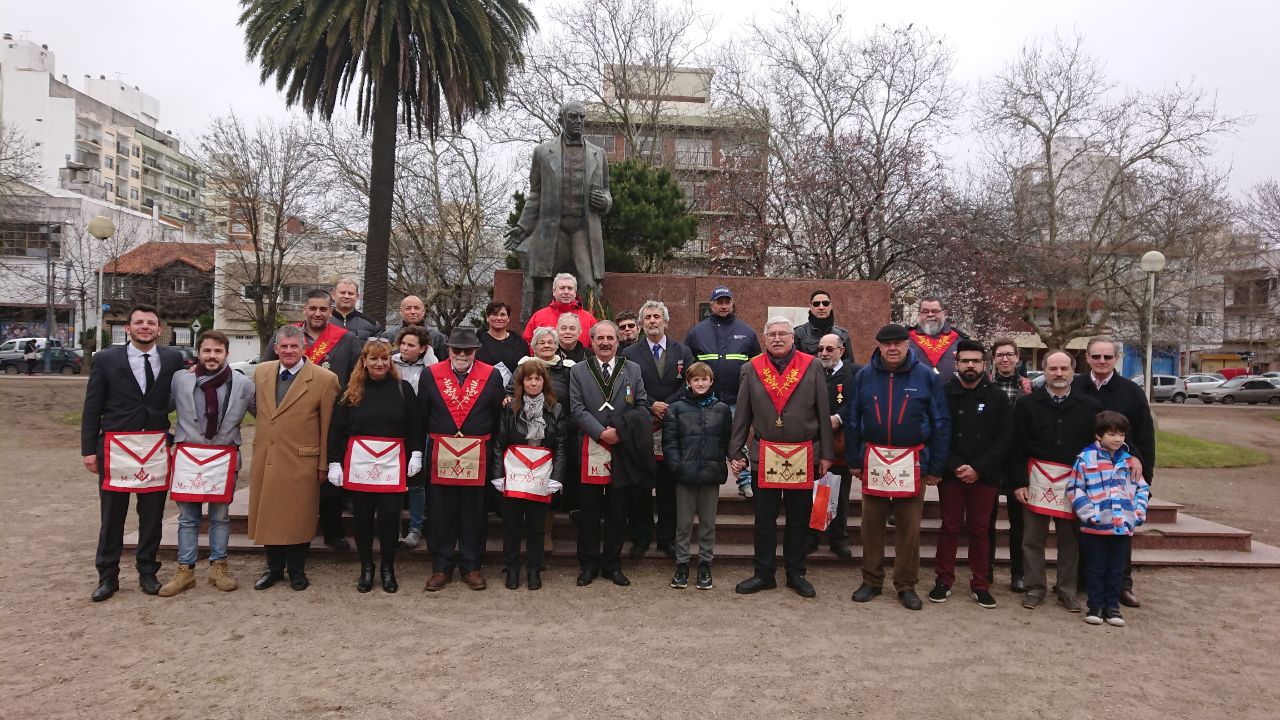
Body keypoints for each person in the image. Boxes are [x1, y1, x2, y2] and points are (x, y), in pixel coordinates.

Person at [80, 304, 184, 601]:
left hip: (154, 446)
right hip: (115, 447)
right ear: (128, 328)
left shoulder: (173, 358)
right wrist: (89, 449)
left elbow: (180, 396)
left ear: (159, 329)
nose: (145, 327)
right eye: (139, 322)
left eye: (151, 323)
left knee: (151, 515)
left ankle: (148, 571)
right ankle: (107, 576)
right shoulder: (107, 359)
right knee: (112, 516)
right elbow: (92, 407)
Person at [845, 323, 950, 611]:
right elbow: (853, 419)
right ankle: (871, 580)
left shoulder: (926, 376)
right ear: (878, 346)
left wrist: (936, 467)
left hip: (912, 461)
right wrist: (854, 460)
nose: (893, 348)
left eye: (898, 343)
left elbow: (941, 421)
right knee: (871, 525)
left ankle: (906, 584)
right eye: (886, 343)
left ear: (908, 345)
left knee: (908, 528)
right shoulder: (865, 375)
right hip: (875, 459)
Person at [730, 317, 834, 599]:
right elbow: (742, 414)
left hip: (804, 453)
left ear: (792, 337)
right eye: (772, 334)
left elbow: (823, 412)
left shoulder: (811, 365)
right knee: (764, 519)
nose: (777, 339)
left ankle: (796, 572)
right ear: (764, 338)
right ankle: (763, 573)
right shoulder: (751, 369)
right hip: (764, 453)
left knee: (798, 518)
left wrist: (826, 453)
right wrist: (735, 448)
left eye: (782, 334)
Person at [157, 330, 257, 597]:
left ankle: (218, 566)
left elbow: (265, 415)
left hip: (224, 456)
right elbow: (158, 407)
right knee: (188, 518)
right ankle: (185, 570)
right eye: (207, 351)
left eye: (218, 351)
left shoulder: (243, 383)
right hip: (190, 455)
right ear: (198, 352)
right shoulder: (180, 379)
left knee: (220, 517)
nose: (212, 356)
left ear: (227, 354)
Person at [262, 288, 361, 552]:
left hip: (331, 417)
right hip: (292, 420)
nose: (317, 313)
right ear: (304, 309)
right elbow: (266, 374)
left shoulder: (346, 340)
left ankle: (333, 531)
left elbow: (355, 378)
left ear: (331, 311)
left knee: (327, 475)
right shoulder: (287, 336)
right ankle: (285, 532)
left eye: (323, 309)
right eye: (313, 308)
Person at [247, 324, 340, 591]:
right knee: (270, 515)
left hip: (303, 459)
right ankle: (274, 568)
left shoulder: (324, 379)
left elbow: (328, 425)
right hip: (268, 455)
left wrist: (324, 464)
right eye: (283, 346)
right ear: (275, 348)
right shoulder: (262, 372)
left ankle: (297, 569)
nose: (288, 351)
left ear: (304, 348)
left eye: (294, 346)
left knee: (299, 517)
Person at [327, 341, 424, 593]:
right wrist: (334, 462)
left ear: (390, 361)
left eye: (384, 359)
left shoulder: (403, 390)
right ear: (364, 361)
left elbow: (415, 426)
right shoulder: (350, 391)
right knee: (362, 519)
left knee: (390, 519)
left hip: (392, 464)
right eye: (373, 359)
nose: (379, 364)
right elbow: (336, 430)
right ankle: (366, 567)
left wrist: (416, 454)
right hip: (360, 463)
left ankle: (388, 567)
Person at [1009, 350, 1101, 613]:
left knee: (1070, 540)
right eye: (1053, 369)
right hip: (1036, 478)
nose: (1058, 374)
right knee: (1032, 539)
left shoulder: (1090, 405)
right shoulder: (1027, 404)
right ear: (1044, 371)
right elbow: (1017, 446)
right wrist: (1019, 482)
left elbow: (1095, 448)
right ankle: (1034, 587)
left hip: (1072, 483)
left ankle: (1067, 590)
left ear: (1073, 371)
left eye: (1064, 368)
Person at [506, 101, 613, 320]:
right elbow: (535, 194)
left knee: (589, 283)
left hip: (583, 229)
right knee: (547, 285)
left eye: (582, 118)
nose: (579, 122)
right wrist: (522, 227)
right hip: (552, 228)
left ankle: (589, 334)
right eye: (573, 117)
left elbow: (607, 192)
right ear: (561, 120)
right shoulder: (543, 153)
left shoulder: (598, 154)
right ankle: (542, 334)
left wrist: (604, 201)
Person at [1071, 336, 1156, 609]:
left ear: (1116, 359)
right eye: (1096, 357)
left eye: (1107, 357)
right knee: (1085, 529)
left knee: (1121, 530)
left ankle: (1123, 585)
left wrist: (1145, 472)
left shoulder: (1130, 391)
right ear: (1087, 358)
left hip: (1122, 473)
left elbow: (1144, 434)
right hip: (1089, 472)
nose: (1102, 362)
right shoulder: (1075, 386)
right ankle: (1085, 580)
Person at [419, 327, 506, 592]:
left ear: (476, 352)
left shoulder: (491, 375)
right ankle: (442, 565)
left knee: (474, 511)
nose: (462, 354)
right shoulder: (431, 374)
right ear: (448, 349)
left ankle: (471, 565)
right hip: (441, 449)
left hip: (476, 451)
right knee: (441, 510)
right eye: (457, 349)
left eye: (467, 350)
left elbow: (496, 414)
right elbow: (424, 411)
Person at [929, 339, 1013, 609]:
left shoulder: (997, 396)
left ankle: (980, 583)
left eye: (975, 361)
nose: (970, 365)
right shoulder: (944, 392)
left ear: (984, 364)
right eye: (965, 361)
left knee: (980, 530)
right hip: (952, 473)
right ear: (957, 364)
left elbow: (1004, 437)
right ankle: (943, 580)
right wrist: (955, 466)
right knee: (950, 527)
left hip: (984, 475)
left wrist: (978, 468)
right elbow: (938, 431)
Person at [569, 320, 651, 587]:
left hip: (621, 448)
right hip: (590, 446)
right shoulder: (579, 371)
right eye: (600, 338)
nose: (605, 343)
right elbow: (577, 408)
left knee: (618, 510)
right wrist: (600, 432)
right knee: (589, 511)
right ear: (591, 341)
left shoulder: (633, 369)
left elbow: (641, 405)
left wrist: (618, 430)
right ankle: (588, 564)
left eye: (610, 338)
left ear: (618, 341)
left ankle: (613, 564)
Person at [621, 300, 696, 559]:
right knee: (641, 486)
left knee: (669, 486)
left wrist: (668, 406)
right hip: (644, 426)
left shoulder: (683, 351)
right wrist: (652, 405)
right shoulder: (630, 354)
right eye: (648, 318)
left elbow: (691, 383)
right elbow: (628, 387)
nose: (653, 321)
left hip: (674, 425)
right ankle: (641, 538)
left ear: (666, 321)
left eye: (657, 317)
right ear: (641, 325)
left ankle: (667, 538)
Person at [490, 361, 568, 590]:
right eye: (528, 379)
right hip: (514, 473)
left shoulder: (556, 408)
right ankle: (512, 568)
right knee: (512, 525)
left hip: (542, 476)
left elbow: (562, 446)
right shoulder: (509, 407)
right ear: (521, 383)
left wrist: (558, 476)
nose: (533, 383)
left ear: (544, 382)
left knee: (537, 526)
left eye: (537, 379)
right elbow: (498, 443)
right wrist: (498, 475)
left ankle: (534, 569)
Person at [1068, 410, 1150, 627]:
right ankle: (1095, 606)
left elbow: (1142, 489)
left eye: (1121, 435)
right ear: (1098, 435)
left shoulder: (1130, 462)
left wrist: (1138, 513)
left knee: (1116, 568)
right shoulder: (1085, 460)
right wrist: (1088, 514)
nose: (1117, 439)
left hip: (1121, 526)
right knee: (1095, 567)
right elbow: (1075, 488)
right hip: (1095, 526)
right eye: (1112, 434)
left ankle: (1113, 607)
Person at [684, 285, 761, 498]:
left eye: (727, 301)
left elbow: (757, 368)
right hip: (705, 400)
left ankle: (745, 482)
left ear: (732, 303)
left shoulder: (747, 332)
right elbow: (687, 369)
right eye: (719, 302)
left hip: (738, 399)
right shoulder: (696, 332)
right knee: (704, 442)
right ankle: (702, 483)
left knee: (738, 443)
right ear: (712, 305)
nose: (724, 305)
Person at [662, 362, 732, 591]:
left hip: (711, 473)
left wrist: (733, 458)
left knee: (707, 522)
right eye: (696, 380)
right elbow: (670, 442)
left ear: (711, 381)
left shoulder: (721, 409)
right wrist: (676, 466)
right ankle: (682, 564)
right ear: (689, 383)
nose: (700, 383)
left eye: (704, 379)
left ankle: (704, 563)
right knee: (683, 522)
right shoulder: (677, 409)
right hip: (686, 473)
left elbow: (726, 439)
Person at [515, 326, 577, 553]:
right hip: (526, 435)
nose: (547, 345)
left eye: (551, 342)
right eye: (542, 342)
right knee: (527, 481)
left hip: (557, 433)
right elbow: (513, 393)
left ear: (557, 345)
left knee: (550, 485)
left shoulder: (569, 369)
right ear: (534, 346)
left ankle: (546, 532)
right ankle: (528, 532)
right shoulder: (524, 367)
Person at [989, 337, 1031, 592]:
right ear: (993, 359)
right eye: (1000, 355)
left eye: (1010, 354)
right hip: (992, 461)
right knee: (986, 521)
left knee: (1020, 523)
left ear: (1017, 358)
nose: (1005, 359)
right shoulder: (985, 385)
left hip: (1019, 462)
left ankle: (1019, 572)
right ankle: (987, 568)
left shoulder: (1030, 388)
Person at [392, 325, 434, 550]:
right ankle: (395, 526)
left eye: (411, 345)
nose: (405, 348)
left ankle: (416, 527)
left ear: (423, 349)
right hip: (394, 429)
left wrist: (429, 358)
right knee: (395, 480)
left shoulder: (429, 366)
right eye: (404, 343)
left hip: (421, 428)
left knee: (417, 482)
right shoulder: (390, 364)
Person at [816, 333, 857, 558]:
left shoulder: (854, 373)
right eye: (821, 348)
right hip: (817, 441)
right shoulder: (813, 371)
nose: (824, 353)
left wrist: (839, 418)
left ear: (841, 350)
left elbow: (858, 403)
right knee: (817, 489)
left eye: (829, 349)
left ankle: (838, 538)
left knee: (840, 492)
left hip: (841, 442)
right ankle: (814, 535)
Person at [522, 273, 598, 347]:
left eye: (570, 288)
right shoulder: (539, 317)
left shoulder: (588, 318)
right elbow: (527, 344)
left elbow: (596, 345)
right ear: (554, 291)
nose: (566, 292)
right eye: (562, 288)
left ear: (575, 292)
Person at [908, 295, 970, 378]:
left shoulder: (961, 340)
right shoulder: (907, 339)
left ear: (944, 313)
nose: (930, 315)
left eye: (935, 311)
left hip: (951, 390)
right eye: (925, 311)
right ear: (919, 314)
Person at [379, 295, 448, 362]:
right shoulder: (388, 336)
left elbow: (444, 364)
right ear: (401, 311)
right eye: (408, 308)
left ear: (423, 311)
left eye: (416, 308)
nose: (412, 312)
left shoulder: (437, 337)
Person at [476, 300, 531, 385]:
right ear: (487, 317)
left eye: (502, 315)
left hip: (513, 393)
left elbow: (527, 369)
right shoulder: (477, 341)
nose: (498, 318)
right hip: (482, 390)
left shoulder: (520, 343)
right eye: (494, 314)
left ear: (508, 318)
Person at [793, 289, 853, 362]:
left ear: (830, 306)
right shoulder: (798, 333)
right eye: (816, 304)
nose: (821, 307)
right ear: (811, 307)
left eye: (825, 303)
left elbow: (849, 366)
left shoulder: (843, 335)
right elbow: (793, 364)